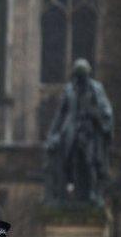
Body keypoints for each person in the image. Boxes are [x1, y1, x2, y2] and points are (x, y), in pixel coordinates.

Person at [44, 58, 113, 207]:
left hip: (89, 132)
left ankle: (93, 193)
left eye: (83, 76)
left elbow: (105, 110)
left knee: (90, 161)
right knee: (70, 160)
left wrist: (100, 119)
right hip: (72, 130)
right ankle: (70, 194)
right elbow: (60, 114)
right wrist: (52, 135)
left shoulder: (96, 89)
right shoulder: (69, 90)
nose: (80, 80)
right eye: (78, 76)